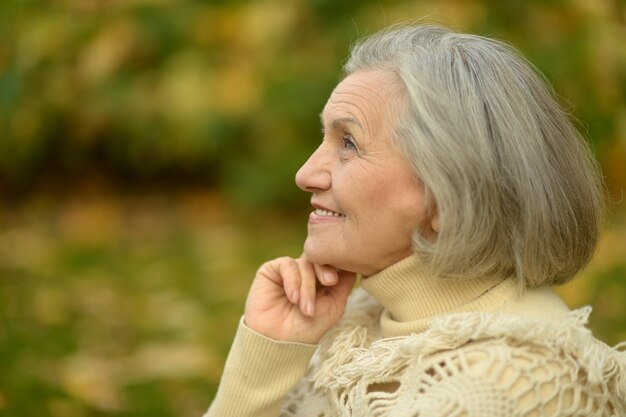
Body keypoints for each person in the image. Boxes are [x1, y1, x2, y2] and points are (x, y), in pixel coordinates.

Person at [205, 24, 626, 417]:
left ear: (449, 193)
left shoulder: (510, 381)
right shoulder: (360, 327)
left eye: (348, 143)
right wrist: (268, 353)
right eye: (325, 139)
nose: (305, 174)